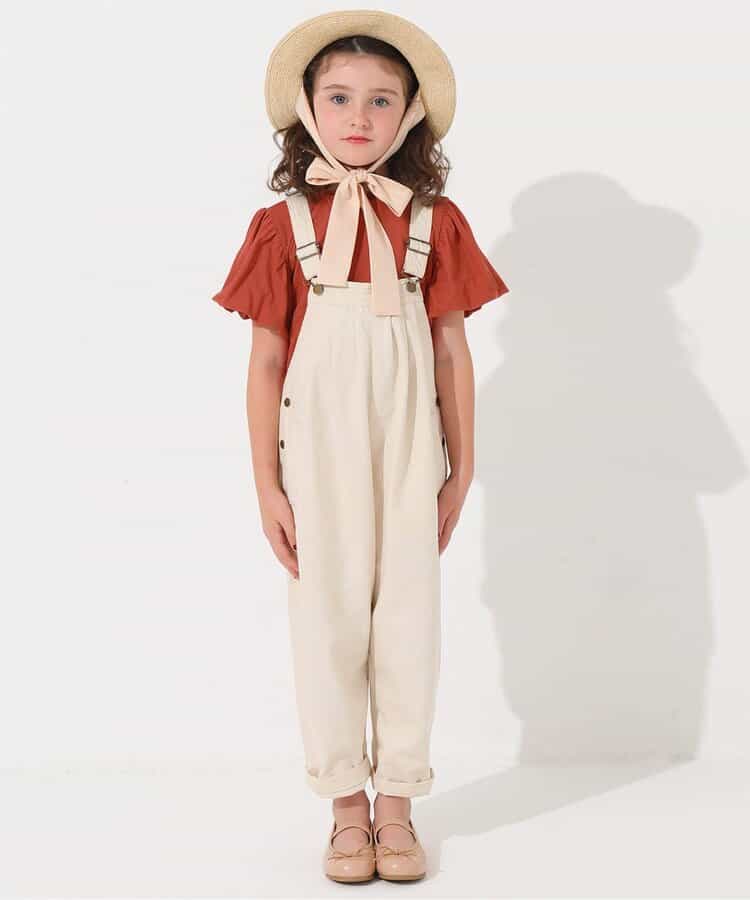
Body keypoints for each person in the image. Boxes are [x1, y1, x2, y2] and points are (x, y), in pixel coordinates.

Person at [211, 9, 510, 883]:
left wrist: (461, 469)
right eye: (339, 96)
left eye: (381, 99)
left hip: (412, 442)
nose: (358, 116)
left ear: (410, 113)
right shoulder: (282, 226)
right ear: (306, 108)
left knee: (409, 618)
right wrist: (267, 484)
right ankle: (346, 806)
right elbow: (267, 362)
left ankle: (399, 804)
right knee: (328, 619)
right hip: (316, 448)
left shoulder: (433, 221)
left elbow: (449, 352)